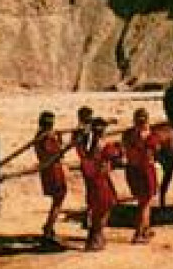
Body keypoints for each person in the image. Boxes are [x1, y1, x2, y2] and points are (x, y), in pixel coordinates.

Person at [76, 117, 117, 252]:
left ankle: (94, 237)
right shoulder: (102, 144)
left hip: (93, 179)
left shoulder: (88, 143)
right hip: (100, 178)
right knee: (104, 206)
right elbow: (113, 155)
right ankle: (96, 237)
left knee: (98, 207)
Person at [120, 108, 159, 244]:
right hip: (145, 170)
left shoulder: (128, 134)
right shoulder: (150, 136)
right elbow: (151, 154)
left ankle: (145, 229)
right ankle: (138, 233)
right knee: (145, 203)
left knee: (142, 202)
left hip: (132, 170)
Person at [32, 111, 69, 245]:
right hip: (53, 170)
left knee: (57, 199)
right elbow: (54, 153)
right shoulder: (46, 137)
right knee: (59, 198)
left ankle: (49, 226)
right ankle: (48, 228)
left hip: (49, 169)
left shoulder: (40, 135)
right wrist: (60, 144)